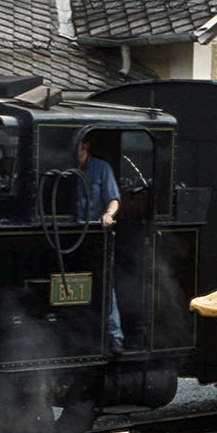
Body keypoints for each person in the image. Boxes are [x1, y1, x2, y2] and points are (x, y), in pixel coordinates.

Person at [76, 137, 124, 356]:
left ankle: (115, 337)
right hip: (72, 234)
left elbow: (114, 199)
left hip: (97, 235)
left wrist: (108, 214)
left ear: (86, 145)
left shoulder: (101, 168)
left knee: (105, 286)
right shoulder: (67, 169)